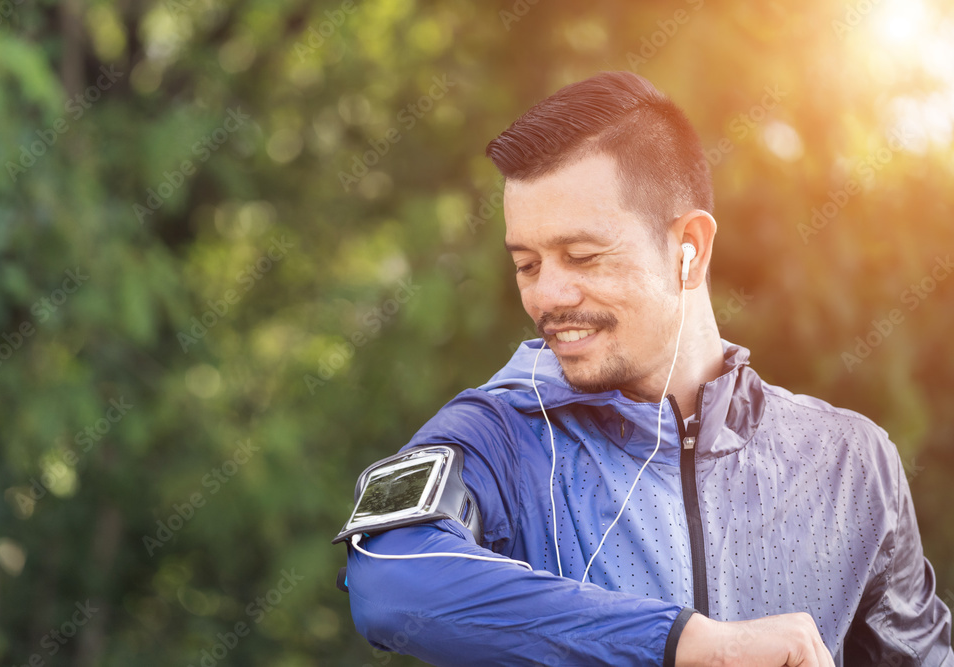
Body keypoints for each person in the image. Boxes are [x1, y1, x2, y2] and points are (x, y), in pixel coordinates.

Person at [337, 71, 954, 666]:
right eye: (527, 264)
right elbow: (390, 579)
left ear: (691, 247)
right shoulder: (497, 433)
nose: (547, 296)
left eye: (582, 256)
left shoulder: (850, 460)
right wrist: (684, 643)